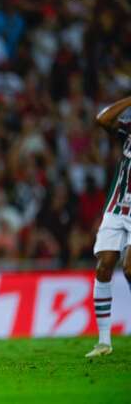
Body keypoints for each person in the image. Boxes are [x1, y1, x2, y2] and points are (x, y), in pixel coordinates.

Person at [86, 95, 131, 358]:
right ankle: (103, 341)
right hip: (116, 208)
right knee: (104, 265)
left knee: (129, 267)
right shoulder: (128, 131)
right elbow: (102, 118)